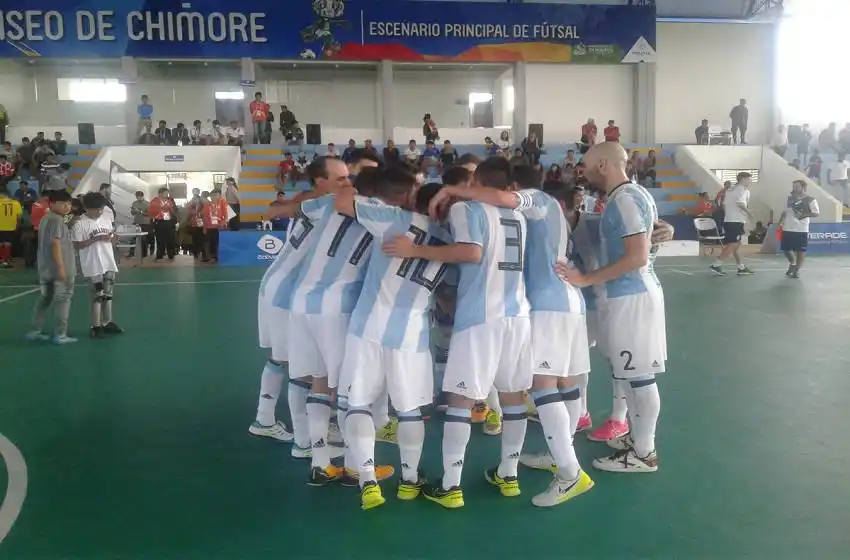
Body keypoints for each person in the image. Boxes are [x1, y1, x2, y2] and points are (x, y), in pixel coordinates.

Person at [425, 166, 595, 507]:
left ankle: (569, 470)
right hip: (536, 307)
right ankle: (514, 470)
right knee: (525, 391)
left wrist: (451, 193)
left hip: (535, 305)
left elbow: (479, 238)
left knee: (540, 387)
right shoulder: (521, 217)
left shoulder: (532, 201)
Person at [382, 157, 532, 508]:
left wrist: (414, 249)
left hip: (481, 317)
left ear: (476, 180)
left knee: (461, 403)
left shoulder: (469, 210)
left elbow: (470, 253)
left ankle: (450, 486)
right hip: (518, 316)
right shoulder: (519, 216)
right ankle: (509, 475)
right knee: (513, 398)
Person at [334, 168, 449, 510]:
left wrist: (355, 182)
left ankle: (368, 482)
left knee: (357, 403)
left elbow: (342, 204)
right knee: (409, 410)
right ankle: (410, 482)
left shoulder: (393, 219)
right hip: (410, 335)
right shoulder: (454, 243)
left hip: (366, 326)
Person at [277, 161, 394, 487]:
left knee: (319, 380)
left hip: (301, 303)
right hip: (337, 307)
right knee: (348, 390)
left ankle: (320, 463)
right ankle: (357, 468)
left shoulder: (331, 200)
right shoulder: (385, 214)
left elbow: (294, 208)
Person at [555, 141, 665, 473]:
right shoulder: (632, 196)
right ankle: (636, 439)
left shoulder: (626, 200)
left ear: (602, 165)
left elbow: (638, 255)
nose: (583, 173)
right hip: (627, 296)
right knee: (631, 375)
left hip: (631, 296)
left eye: (586, 167)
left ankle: (644, 453)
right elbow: (652, 236)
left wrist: (587, 280)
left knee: (640, 377)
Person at [253, 157, 349, 458]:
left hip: (275, 285)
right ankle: (305, 441)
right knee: (304, 368)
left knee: (281, 358)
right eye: (341, 178)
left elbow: (275, 209)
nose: (347, 183)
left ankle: (264, 417)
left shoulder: (308, 201)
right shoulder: (328, 204)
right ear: (322, 181)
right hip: (289, 291)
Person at [27, 190, 77, 344]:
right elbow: (55, 244)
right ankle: (60, 334)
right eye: (64, 204)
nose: (67, 207)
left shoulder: (45, 219)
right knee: (63, 298)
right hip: (59, 268)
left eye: (69, 204)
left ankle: (35, 330)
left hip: (45, 268)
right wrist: (61, 267)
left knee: (45, 298)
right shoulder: (57, 221)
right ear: (52, 203)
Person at [71, 192, 122, 338]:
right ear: (86, 208)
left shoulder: (106, 219)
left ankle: (108, 322)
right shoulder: (79, 223)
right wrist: (96, 239)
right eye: (95, 209)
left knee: (109, 294)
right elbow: (77, 245)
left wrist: (114, 240)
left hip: (108, 261)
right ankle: (96, 325)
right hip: (93, 264)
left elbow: (112, 239)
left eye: (101, 208)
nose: (99, 212)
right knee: (97, 295)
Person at [710, 172, 755, 276]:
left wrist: (729, 216)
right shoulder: (742, 189)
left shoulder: (730, 190)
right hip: (736, 221)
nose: (750, 181)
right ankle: (717, 265)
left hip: (729, 220)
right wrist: (749, 213)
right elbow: (740, 203)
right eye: (749, 179)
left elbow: (724, 205)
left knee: (736, 244)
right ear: (743, 179)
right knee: (734, 244)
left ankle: (741, 267)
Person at [780, 180, 820, 278]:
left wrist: (803, 215)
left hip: (801, 229)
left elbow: (816, 213)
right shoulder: (789, 199)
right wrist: (780, 222)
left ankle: (797, 270)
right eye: (793, 186)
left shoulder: (810, 200)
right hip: (787, 228)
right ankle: (792, 264)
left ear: (803, 188)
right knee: (786, 249)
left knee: (800, 250)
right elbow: (785, 212)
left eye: (797, 187)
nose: (794, 189)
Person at [148, 187, 177, 260]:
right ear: (160, 193)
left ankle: (171, 254)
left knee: (171, 238)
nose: (167, 195)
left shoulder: (169, 201)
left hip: (169, 221)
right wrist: (160, 210)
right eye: (165, 193)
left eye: (167, 193)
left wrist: (171, 210)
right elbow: (151, 212)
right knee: (160, 239)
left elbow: (173, 211)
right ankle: (160, 254)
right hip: (160, 221)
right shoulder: (154, 201)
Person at [202, 189, 229, 262]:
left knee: (219, 242)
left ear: (219, 196)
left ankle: (219, 256)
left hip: (219, 226)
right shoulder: (206, 205)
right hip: (209, 227)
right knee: (211, 242)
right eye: (212, 195)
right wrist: (204, 228)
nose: (214, 197)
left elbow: (226, 216)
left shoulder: (223, 202)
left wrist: (222, 224)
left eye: (216, 195)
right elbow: (204, 217)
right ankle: (213, 257)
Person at [0, 187, 22, 268]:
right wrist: (17, 226)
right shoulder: (16, 203)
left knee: (1, 243)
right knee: (8, 243)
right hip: (11, 226)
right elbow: (19, 217)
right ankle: (6, 260)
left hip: (0, 225)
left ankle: (2, 260)